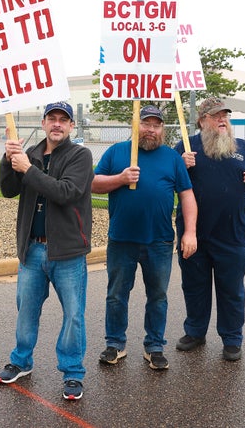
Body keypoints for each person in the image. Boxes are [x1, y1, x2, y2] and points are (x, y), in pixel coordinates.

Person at [0, 101, 94, 401]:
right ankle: (21, 361)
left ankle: (73, 372)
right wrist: (8, 158)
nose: (57, 124)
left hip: (67, 252)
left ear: (71, 126)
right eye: (52, 118)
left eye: (63, 120)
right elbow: (8, 189)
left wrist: (28, 168)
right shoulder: (31, 154)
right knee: (26, 311)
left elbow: (66, 192)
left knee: (74, 315)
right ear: (43, 123)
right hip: (33, 249)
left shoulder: (80, 155)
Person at [93, 105, 198, 370]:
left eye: (156, 124)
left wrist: (190, 232)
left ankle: (154, 347)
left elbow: (187, 195)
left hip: (160, 241)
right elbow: (92, 184)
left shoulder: (172, 158)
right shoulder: (117, 152)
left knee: (158, 296)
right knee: (116, 295)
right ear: (135, 125)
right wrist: (120, 177)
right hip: (121, 240)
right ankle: (115, 344)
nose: (151, 129)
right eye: (146, 123)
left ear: (162, 129)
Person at [174, 97, 245, 361]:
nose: (222, 119)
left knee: (231, 288)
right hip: (193, 233)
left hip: (231, 234)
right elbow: (166, 181)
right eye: (216, 115)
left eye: (226, 115)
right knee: (194, 286)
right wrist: (178, 166)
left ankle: (232, 338)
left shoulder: (242, 147)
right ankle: (195, 332)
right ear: (202, 120)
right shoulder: (186, 148)